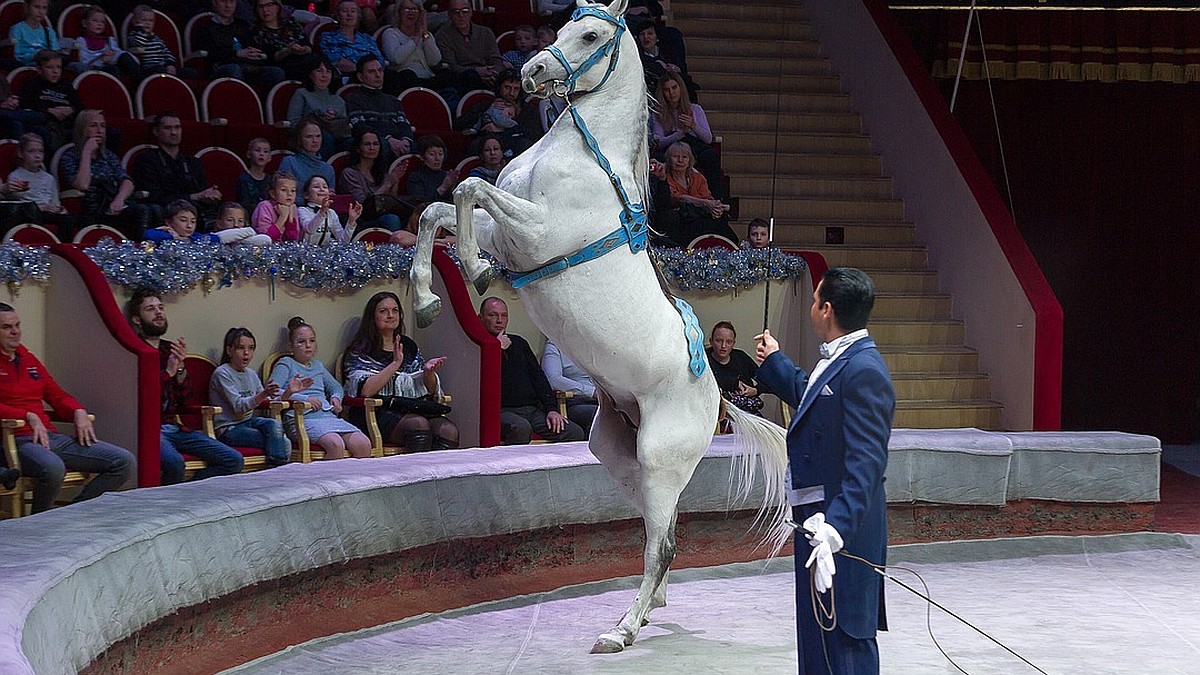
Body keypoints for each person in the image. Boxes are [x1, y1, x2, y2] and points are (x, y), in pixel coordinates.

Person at [754, 268, 894, 675]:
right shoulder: (841, 360)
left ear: (826, 309)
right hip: (815, 526)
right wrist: (775, 362)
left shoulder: (865, 370)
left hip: (841, 532)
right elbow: (814, 396)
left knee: (845, 635)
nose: (814, 307)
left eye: (815, 301)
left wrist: (837, 527)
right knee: (817, 636)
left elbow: (867, 464)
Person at [0, 302, 135, 514]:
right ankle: (39, 523)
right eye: (7, 327)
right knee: (53, 467)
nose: (16, 332)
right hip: (16, 439)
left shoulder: (28, 358)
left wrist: (77, 411)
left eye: (17, 325)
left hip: (50, 437)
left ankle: (73, 514)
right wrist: (27, 416)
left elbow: (56, 395)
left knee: (123, 461)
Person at [128, 288, 245, 484]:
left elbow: (186, 401)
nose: (158, 313)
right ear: (137, 319)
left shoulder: (169, 349)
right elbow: (142, 396)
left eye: (160, 308)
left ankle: (190, 491)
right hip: (149, 428)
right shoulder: (133, 352)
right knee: (174, 463)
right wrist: (168, 373)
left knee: (233, 460)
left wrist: (181, 369)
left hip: (175, 427)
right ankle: (172, 506)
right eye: (150, 309)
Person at [342, 291, 458, 452]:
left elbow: (430, 390)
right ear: (372, 316)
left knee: (448, 429)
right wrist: (395, 364)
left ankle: (440, 475)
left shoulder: (408, 345)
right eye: (383, 311)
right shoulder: (361, 349)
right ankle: (415, 476)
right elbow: (366, 390)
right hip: (375, 411)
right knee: (418, 424)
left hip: (410, 407)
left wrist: (427, 373)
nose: (390, 315)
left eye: (395, 310)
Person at [479, 297, 585, 445]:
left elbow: (539, 379)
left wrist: (551, 409)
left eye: (504, 316)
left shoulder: (519, 343)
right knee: (521, 428)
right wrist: (496, 349)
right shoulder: (478, 346)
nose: (499, 320)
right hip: (502, 411)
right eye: (493, 315)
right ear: (481, 318)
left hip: (533, 411)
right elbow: (485, 380)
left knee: (573, 432)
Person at [270, 317, 374, 459]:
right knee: (335, 444)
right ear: (291, 346)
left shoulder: (317, 365)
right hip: (301, 418)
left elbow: (336, 387)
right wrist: (305, 399)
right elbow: (272, 392)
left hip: (327, 416)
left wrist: (336, 398)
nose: (308, 345)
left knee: (363, 444)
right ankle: (329, 481)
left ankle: (356, 480)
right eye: (301, 342)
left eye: (312, 341)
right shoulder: (286, 363)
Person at [210, 327, 296, 468]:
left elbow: (266, 404)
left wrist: (288, 392)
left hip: (248, 422)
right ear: (229, 350)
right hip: (229, 428)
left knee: (274, 424)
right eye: (241, 348)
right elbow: (239, 407)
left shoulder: (250, 373)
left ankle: (276, 473)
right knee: (282, 442)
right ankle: (276, 474)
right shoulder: (222, 373)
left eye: (251, 348)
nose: (246, 353)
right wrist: (263, 394)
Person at [60, 109, 152, 237]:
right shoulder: (69, 156)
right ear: (82, 129)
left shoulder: (108, 156)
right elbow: (82, 185)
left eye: (102, 126)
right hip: (91, 210)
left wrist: (119, 200)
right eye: (93, 125)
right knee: (142, 211)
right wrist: (86, 152)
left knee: (152, 210)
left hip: (113, 205)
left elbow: (127, 181)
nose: (100, 130)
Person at [134, 111, 222, 228]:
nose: (174, 132)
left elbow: (203, 189)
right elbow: (154, 196)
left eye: (177, 127)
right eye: (167, 128)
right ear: (156, 131)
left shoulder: (192, 162)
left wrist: (211, 194)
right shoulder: (147, 159)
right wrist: (194, 196)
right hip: (167, 209)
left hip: (194, 209)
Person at [653, 140, 736, 245]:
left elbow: (708, 198)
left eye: (684, 157)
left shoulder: (698, 177)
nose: (680, 161)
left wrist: (716, 208)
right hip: (679, 218)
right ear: (669, 160)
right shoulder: (665, 177)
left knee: (719, 219)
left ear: (689, 161)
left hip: (697, 217)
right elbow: (677, 198)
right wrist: (705, 203)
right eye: (675, 157)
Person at [651, 71, 719, 197]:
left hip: (693, 145)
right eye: (667, 90)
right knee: (659, 159)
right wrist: (679, 134)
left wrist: (693, 126)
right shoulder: (657, 112)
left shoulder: (695, 109)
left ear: (681, 88)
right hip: (671, 145)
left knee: (710, 155)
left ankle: (715, 198)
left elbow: (708, 139)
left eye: (674, 88)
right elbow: (659, 141)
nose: (671, 93)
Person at [194, 0, 285, 89]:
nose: (228, 5)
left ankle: (264, 102)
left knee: (276, 72)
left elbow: (254, 45)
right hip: (222, 67)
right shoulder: (204, 28)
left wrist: (257, 54)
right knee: (234, 69)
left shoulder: (242, 24)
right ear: (214, 3)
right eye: (223, 1)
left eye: (231, 2)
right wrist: (237, 53)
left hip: (248, 65)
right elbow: (209, 54)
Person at [0, 133, 74, 234]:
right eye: (31, 151)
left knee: (72, 219)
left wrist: (58, 209)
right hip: (31, 213)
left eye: (41, 151)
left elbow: (55, 201)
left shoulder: (49, 178)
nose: (37, 155)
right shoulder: (15, 176)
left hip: (49, 213)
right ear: (21, 154)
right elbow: (20, 201)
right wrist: (40, 207)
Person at [343, 55, 414, 161]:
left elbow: (404, 125)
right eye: (371, 71)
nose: (377, 75)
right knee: (381, 145)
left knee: (429, 147)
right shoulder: (353, 98)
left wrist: (406, 141)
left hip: (397, 141)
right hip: (373, 142)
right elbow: (359, 126)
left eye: (380, 70)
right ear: (360, 77)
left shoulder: (393, 101)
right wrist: (389, 139)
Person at [339, 125, 406, 232]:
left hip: (381, 215)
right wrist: (388, 183)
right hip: (361, 219)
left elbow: (390, 201)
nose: (372, 148)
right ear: (358, 148)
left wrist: (395, 180)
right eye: (367, 144)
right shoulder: (349, 173)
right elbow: (365, 206)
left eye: (375, 144)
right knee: (391, 219)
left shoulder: (381, 172)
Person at [18, 50, 81, 155]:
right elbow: (24, 104)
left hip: (67, 123)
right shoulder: (32, 83)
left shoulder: (66, 85)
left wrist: (71, 109)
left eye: (58, 67)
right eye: (50, 67)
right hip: (44, 122)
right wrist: (48, 110)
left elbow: (80, 106)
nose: (55, 71)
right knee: (41, 130)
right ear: (39, 69)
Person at [380, 0, 450, 93]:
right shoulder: (390, 33)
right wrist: (416, 38)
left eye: (414, 9)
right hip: (405, 79)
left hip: (427, 78)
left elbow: (434, 61)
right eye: (407, 9)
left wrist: (425, 34)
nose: (411, 13)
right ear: (399, 12)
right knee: (408, 74)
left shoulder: (426, 36)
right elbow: (397, 58)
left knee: (451, 76)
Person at [434, 0, 504, 91]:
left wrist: (492, 73)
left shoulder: (486, 32)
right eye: (456, 12)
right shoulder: (442, 35)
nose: (461, 16)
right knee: (470, 77)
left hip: (489, 74)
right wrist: (477, 71)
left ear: (471, 12)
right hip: (463, 77)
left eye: (465, 11)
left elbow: (496, 59)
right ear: (449, 15)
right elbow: (452, 66)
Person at [286, 59, 349, 157]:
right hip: (309, 138)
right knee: (325, 138)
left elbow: (344, 127)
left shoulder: (339, 100)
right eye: (319, 71)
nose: (324, 75)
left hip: (337, 136)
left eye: (328, 71)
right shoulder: (301, 93)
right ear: (310, 74)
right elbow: (293, 122)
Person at [706, 321, 766, 415]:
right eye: (719, 341)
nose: (723, 346)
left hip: (748, 413)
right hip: (717, 414)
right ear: (711, 341)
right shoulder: (704, 360)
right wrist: (734, 383)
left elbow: (767, 380)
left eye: (728, 342)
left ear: (733, 343)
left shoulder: (741, 357)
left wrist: (756, 390)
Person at [320, 0, 385, 84]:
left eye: (353, 11)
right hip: (349, 77)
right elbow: (338, 62)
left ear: (358, 16)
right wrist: (364, 71)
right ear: (338, 16)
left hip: (373, 74)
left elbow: (380, 60)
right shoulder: (328, 38)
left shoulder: (367, 39)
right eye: (345, 11)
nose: (349, 14)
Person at [541, 340, 597, 434]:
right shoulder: (555, 345)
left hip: (605, 402)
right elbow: (553, 380)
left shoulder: (597, 346)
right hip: (575, 401)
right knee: (601, 416)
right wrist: (592, 392)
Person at [126, 5, 196, 79]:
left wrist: (170, 64)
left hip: (164, 67)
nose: (148, 23)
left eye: (150, 20)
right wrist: (139, 29)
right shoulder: (133, 36)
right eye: (144, 20)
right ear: (135, 22)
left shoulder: (157, 38)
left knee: (191, 72)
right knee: (160, 71)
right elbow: (139, 43)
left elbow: (167, 53)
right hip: (149, 69)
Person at [71, 5, 141, 80]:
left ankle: (141, 81)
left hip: (112, 63)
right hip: (95, 70)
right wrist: (101, 59)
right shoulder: (81, 41)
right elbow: (84, 64)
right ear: (84, 23)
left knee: (125, 57)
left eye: (102, 22)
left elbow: (118, 53)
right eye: (95, 21)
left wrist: (114, 54)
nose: (99, 24)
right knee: (113, 69)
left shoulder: (109, 40)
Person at [250, 0, 314, 81]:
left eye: (269, 5)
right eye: (260, 7)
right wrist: (288, 50)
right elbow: (269, 57)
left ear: (278, 7)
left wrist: (304, 49)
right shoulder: (255, 31)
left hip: (304, 58)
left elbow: (309, 46)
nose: (265, 10)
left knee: (319, 63)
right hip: (282, 65)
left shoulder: (291, 24)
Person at [297, 175, 360, 244]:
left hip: (324, 253)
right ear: (306, 195)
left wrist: (351, 221)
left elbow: (343, 241)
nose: (321, 189)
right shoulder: (302, 210)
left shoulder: (331, 213)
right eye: (316, 187)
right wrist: (322, 211)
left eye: (325, 187)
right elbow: (309, 230)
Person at [278, 116, 335, 187]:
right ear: (299, 139)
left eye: (318, 136)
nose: (315, 140)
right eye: (309, 137)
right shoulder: (289, 163)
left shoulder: (328, 169)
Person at [405, 134, 456, 202]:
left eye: (440, 154)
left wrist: (453, 188)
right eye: (432, 154)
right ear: (422, 157)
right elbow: (421, 204)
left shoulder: (446, 176)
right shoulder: (415, 178)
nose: (437, 158)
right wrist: (443, 188)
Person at [143, 199, 222, 243]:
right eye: (183, 220)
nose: (189, 225)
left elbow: (215, 238)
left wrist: (185, 240)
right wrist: (173, 237)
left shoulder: (194, 236)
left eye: (193, 221)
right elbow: (148, 235)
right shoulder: (162, 233)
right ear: (169, 222)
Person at [7, 0, 59, 67]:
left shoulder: (49, 31)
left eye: (44, 8)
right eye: (37, 7)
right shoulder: (17, 29)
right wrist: (35, 56)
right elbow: (17, 56)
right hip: (26, 64)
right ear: (27, 7)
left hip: (48, 63)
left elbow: (56, 53)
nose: (41, 12)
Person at [251, 171, 301, 241]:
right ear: (273, 193)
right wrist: (282, 217)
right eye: (284, 190)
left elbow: (292, 240)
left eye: (293, 190)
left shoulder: (293, 208)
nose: (289, 194)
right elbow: (266, 238)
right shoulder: (264, 206)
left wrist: (290, 221)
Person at [236, 137, 272, 214]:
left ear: (269, 157)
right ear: (249, 154)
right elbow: (244, 204)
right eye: (257, 150)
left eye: (265, 151)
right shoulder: (243, 179)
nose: (261, 154)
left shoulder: (270, 180)